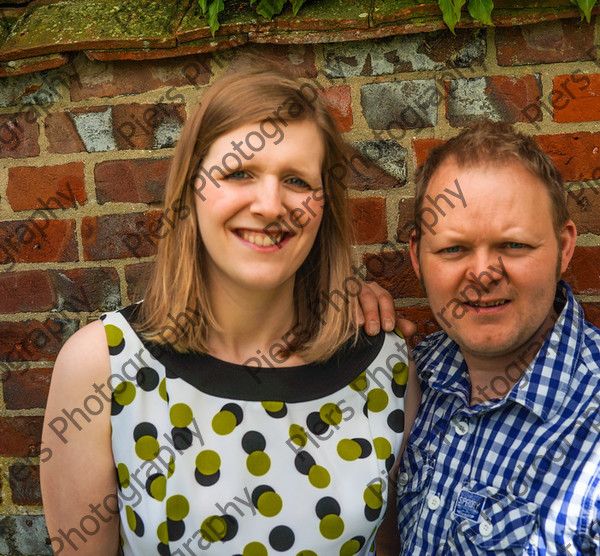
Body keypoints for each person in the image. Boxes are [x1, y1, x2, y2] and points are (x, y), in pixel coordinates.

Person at [40, 64, 419, 555]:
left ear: (324, 205)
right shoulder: (102, 367)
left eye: (297, 181)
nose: (269, 204)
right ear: (191, 191)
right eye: (240, 173)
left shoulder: (385, 371)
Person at [384, 120, 598, 555]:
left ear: (564, 247)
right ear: (418, 257)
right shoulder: (406, 377)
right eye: (453, 249)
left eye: (514, 246)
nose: (482, 273)